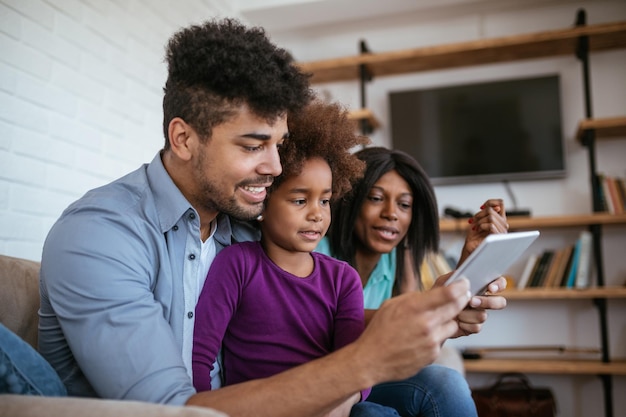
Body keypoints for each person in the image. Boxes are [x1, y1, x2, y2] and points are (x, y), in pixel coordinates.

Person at [37, 18, 503, 417]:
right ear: (183, 139)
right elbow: (170, 410)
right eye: (253, 145)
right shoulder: (99, 234)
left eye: (277, 144)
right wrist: (364, 363)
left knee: (439, 386)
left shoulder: (238, 226)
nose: (276, 167)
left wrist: (435, 311)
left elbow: (309, 311)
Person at [193, 100, 375, 416]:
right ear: (262, 202)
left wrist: (339, 405)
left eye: (326, 201)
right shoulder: (236, 265)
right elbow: (199, 357)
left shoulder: (343, 279)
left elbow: (356, 364)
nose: (317, 214)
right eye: (300, 200)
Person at [317, 146, 509, 416]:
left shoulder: (400, 259)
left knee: (447, 384)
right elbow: (316, 326)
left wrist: (467, 270)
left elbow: (415, 356)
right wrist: (415, 311)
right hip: (319, 377)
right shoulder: (316, 250)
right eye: (375, 198)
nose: (391, 213)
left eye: (404, 205)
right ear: (350, 200)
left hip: (370, 379)